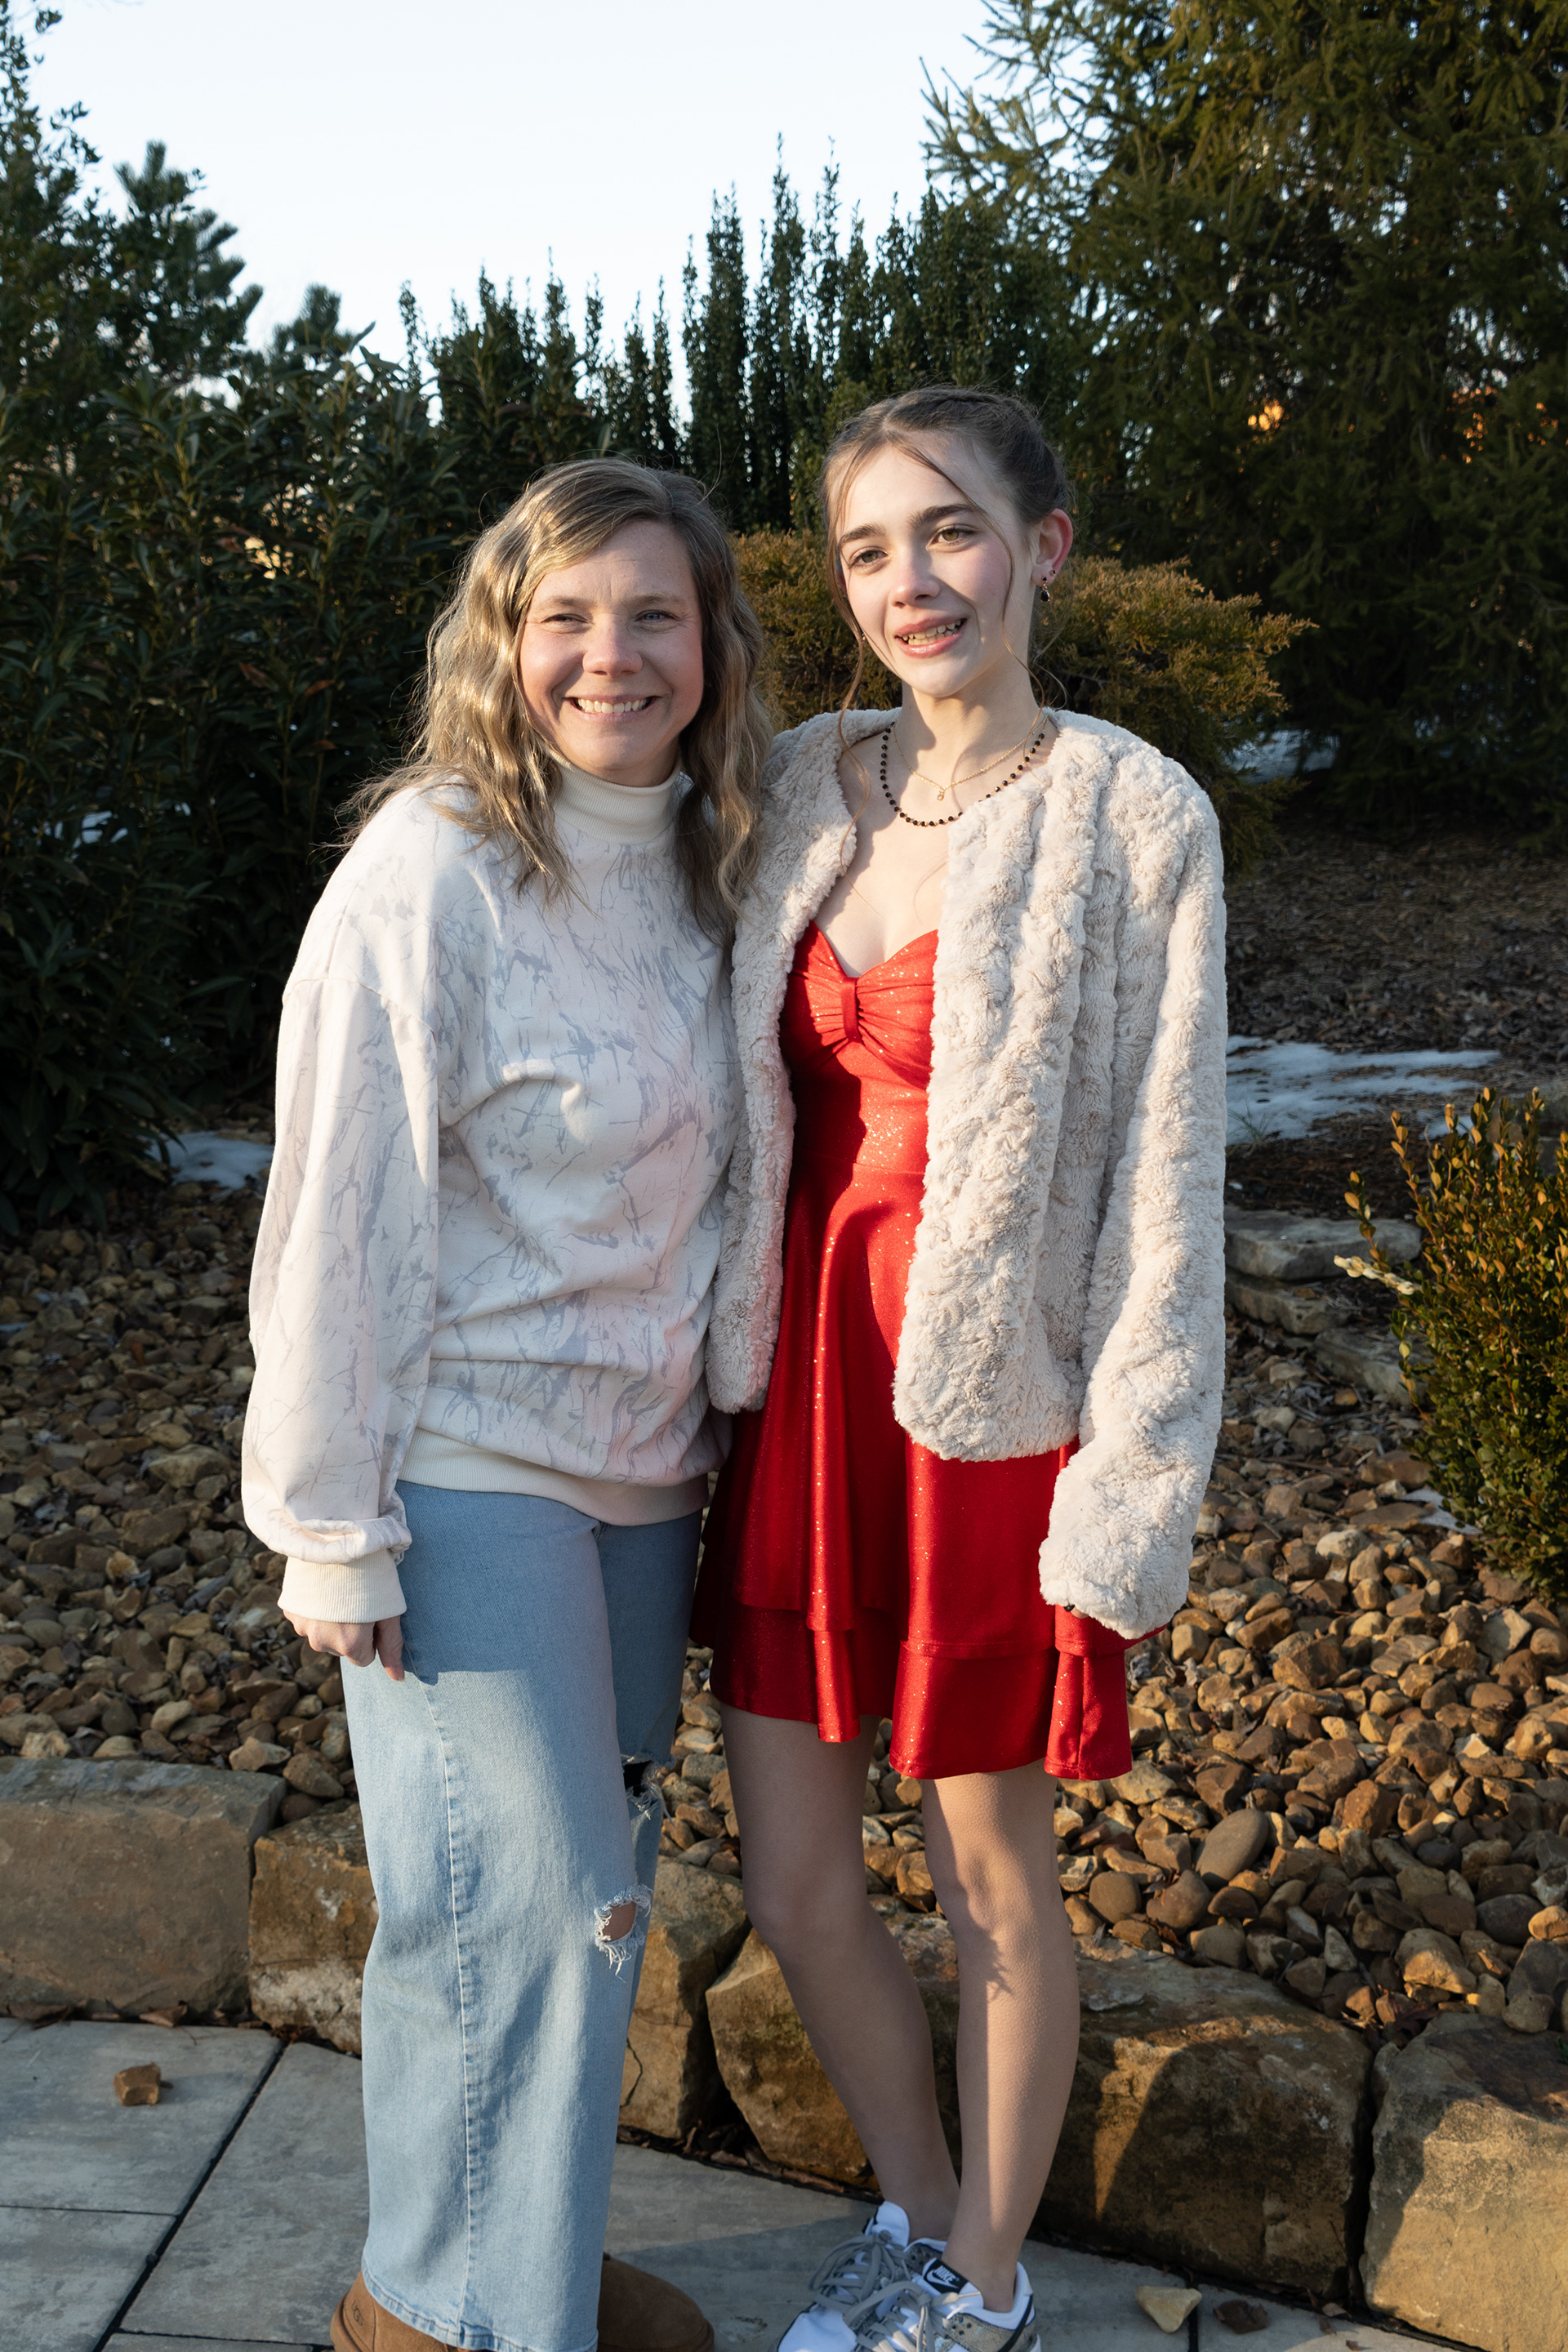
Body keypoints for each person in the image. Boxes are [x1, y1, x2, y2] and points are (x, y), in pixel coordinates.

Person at [696, 385, 1227, 2352]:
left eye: (952, 531)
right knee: (791, 1870)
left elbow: (1169, 1173)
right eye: (868, 548)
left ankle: (984, 2280)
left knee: (992, 1872)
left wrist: (1135, 1478)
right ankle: (920, 2217)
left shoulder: (1135, 814)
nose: (911, 581)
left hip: (992, 1418)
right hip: (804, 1399)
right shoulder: (802, 784)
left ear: (1044, 547)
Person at [243, 457, 771, 2352]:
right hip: (466, 1465)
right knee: (511, 1912)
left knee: (586, 1908)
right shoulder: (435, 868)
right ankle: (459, 2321)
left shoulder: (718, 862)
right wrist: (329, 1519)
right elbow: (341, 1195)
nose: (611, 655)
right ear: (503, 641)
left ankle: (499, 2275)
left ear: (712, 645)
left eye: (654, 615)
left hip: (643, 1472)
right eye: (567, 617)